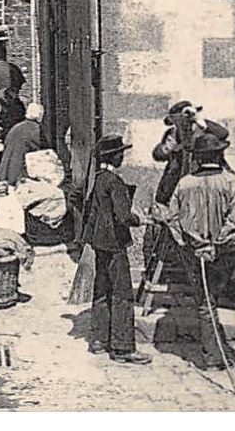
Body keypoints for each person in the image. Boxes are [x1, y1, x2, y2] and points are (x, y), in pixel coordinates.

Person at [167, 129, 235, 375]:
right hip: (232, 254)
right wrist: (218, 244)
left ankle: (213, 360)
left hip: (201, 256)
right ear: (220, 154)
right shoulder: (232, 182)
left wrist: (195, 244)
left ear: (196, 158)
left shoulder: (184, 184)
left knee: (206, 304)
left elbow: (174, 219)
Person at [80, 134, 151, 364]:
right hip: (114, 244)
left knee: (101, 290)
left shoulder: (99, 179)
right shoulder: (115, 182)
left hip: (99, 243)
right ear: (115, 156)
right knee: (122, 294)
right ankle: (123, 348)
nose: (123, 156)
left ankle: (99, 340)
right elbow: (123, 216)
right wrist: (142, 220)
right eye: (121, 153)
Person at [152, 99, 231, 206]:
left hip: (203, 174)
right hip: (177, 175)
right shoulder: (172, 133)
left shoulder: (203, 127)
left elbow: (223, 133)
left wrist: (200, 121)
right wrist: (166, 148)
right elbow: (157, 156)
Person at [0, 103, 46, 186]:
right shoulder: (34, 129)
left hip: (5, 171)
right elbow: (41, 149)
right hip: (19, 173)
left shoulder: (16, 127)